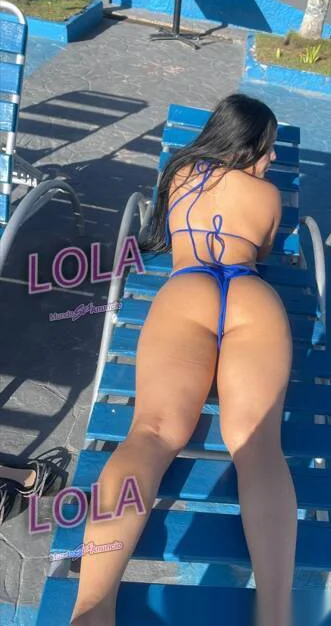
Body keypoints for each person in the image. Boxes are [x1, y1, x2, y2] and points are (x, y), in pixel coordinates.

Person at [70, 93, 297, 626]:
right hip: (251, 297)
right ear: (244, 143)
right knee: (259, 447)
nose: (271, 158)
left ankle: (93, 606)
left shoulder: (178, 174)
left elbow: (168, 235)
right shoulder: (268, 196)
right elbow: (262, 250)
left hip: (187, 289)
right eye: (267, 147)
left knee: (150, 434)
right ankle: (276, 615)